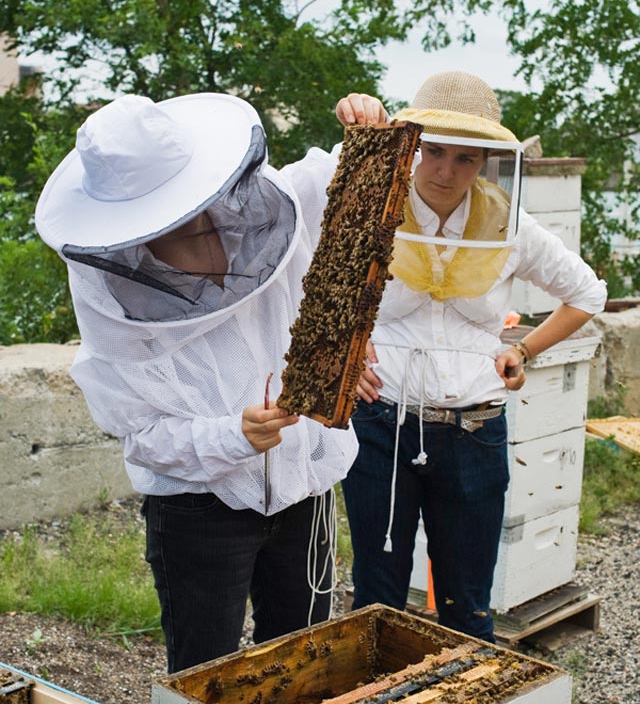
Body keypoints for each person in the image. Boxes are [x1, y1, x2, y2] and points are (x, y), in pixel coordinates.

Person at [35, 90, 384, 673]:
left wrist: (369, 123)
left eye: (201, 207)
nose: (201, 226)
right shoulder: (107, 292)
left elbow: (349, 183)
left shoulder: (275, 208)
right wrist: (232, 435)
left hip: (305, 486)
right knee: (204, 676)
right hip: (200, 510)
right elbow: (142, 435)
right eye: (173, 222)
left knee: (301, 665)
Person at [335, 71, 607, 643]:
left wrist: (523, 350)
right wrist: (346, 353)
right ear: (412, 146)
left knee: (468, 602)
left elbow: (587, 293)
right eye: (433, 151)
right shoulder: (375, 203)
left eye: (465, 159)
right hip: (383, 420)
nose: (444, 171)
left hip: (473, 427)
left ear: (485, 161)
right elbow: (319, 280)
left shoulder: (507, 224)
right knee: (377, 593)